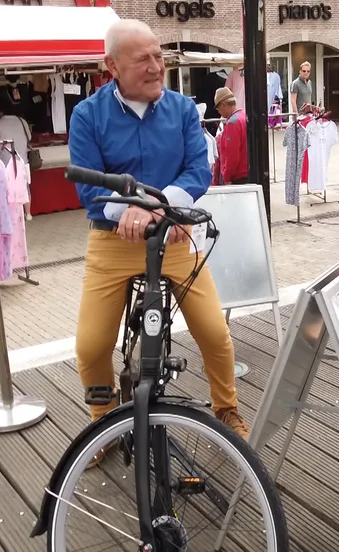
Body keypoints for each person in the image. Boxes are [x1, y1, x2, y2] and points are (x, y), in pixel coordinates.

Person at [68, 20, 250, 469]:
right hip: (113, 241)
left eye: (159, 56)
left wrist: (158, 205)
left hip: (174, 234)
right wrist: (129, 211)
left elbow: (197, 171)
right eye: (143, 60)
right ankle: (102, 419)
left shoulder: (184, 109)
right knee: (91, 346)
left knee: (214, 332)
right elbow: (89, 192)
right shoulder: (87, 115)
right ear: (111, 66)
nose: (156, 67)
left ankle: (226, 408)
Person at [214, 87, 249, 185]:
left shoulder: (232, 123)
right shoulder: (243, 116)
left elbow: (231, 155)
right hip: (245, 173)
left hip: (237, 177)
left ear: (223, 105)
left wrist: (226, 176)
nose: (218, 112)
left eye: (218, 108)